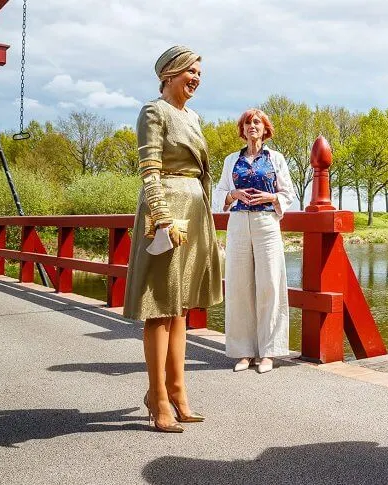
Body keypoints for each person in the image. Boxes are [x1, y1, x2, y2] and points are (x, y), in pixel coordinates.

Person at [123, 45, 223, 433]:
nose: (196, 78)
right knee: (160, 307)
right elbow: (149, 168)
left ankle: (178, 391)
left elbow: (201, 175)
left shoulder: (193, 116)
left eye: (200, 72)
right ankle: (158, 397)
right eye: (190, 71)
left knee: (180, 307)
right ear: (169, 74)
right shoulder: (154, 111)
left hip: (195, 212)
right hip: (166, 212)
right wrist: (161, 218)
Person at [212, 108, 295, 374]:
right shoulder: (230, 161)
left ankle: (269, 352)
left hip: (267, 224)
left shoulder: (276, 159)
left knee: (270, 283)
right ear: (242, 129)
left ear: (265, 128)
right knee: (238, 286)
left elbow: (288, 193)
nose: (252, 126)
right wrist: (232, 194)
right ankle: (243, 352)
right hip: (237, 224)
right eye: (247, 123)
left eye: (256, 122)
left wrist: (270, 198)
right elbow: (219, 193)